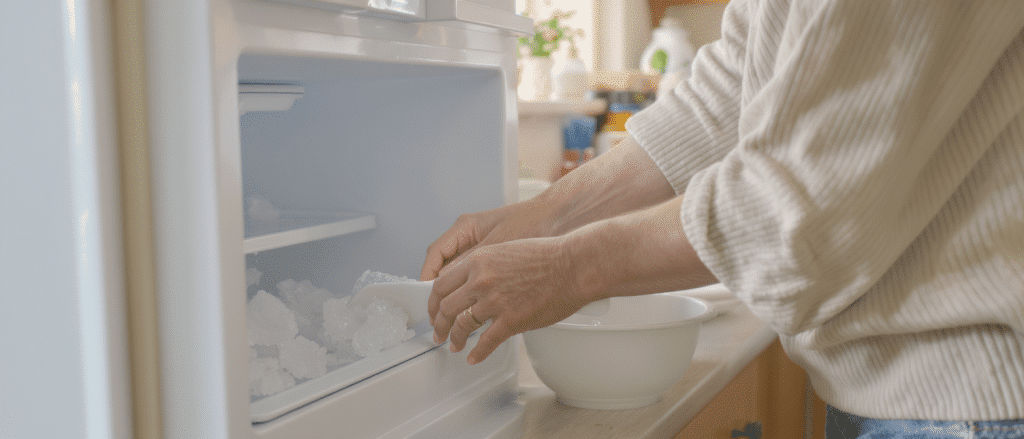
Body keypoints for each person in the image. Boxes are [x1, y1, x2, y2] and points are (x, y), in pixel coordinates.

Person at [422, 1, 1024, 437]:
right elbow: (738, 79)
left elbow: (798, 201)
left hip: (970, 399)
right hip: (910, 392)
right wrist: (548, 214)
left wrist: (573, 265)